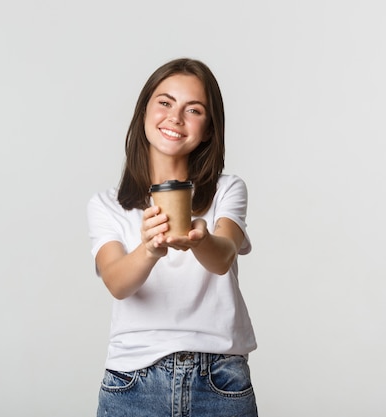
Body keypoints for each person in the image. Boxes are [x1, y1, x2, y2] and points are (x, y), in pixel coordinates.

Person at [87, 57, 258, 417]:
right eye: (165, 102)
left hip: (220, 380)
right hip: (133, 382)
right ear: (144, 111)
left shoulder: (228, 190)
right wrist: (149, 249)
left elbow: (223, 257)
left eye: (193, 110)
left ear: (209, 128)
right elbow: (117, 282)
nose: (175, 118)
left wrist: (200, 239)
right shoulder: (108, 205)